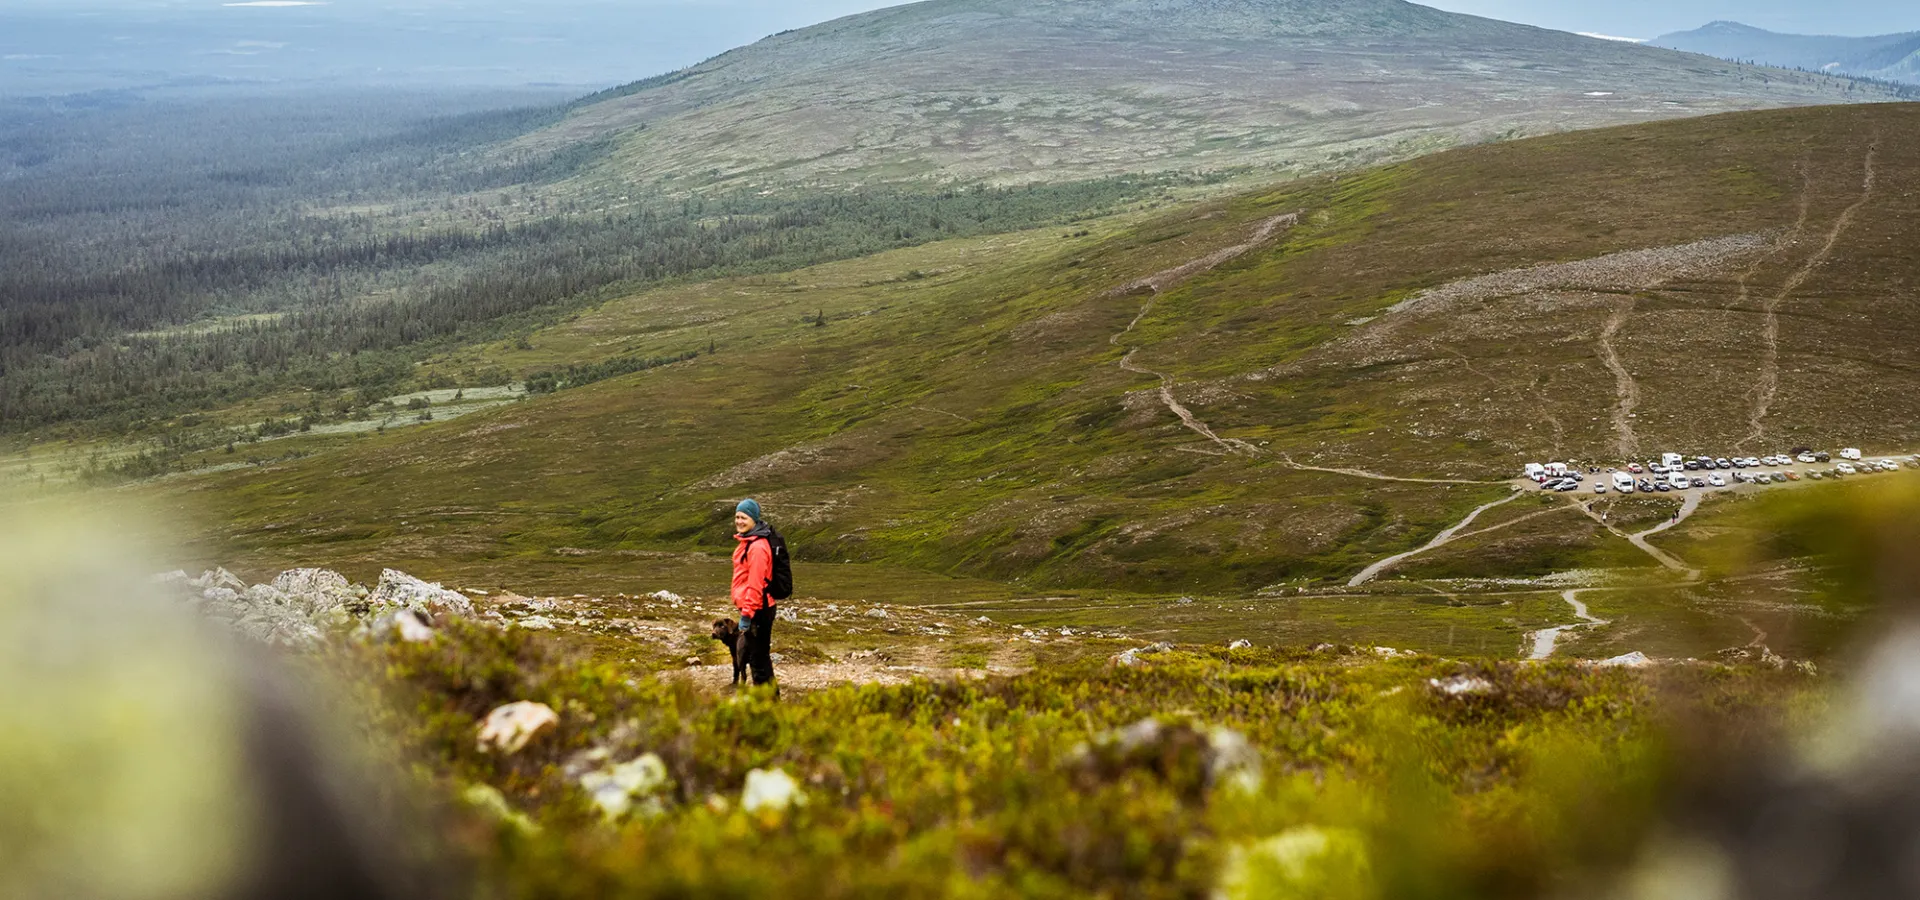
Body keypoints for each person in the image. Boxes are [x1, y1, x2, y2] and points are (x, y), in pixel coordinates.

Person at [730, 498, 778, 689]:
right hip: (756, 608)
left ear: (754, 520)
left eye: (744, 517)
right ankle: (769, 702)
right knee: (758, 658)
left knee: (758, 661)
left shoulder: (757, 547)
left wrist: (747, 614)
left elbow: (756, 584)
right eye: (737, 517)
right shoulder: (748, 541)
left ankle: (766, 705)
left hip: (759, 610)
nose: (739, 521)